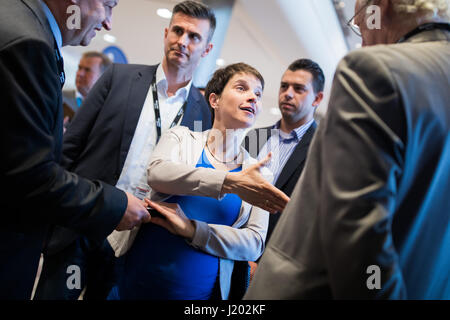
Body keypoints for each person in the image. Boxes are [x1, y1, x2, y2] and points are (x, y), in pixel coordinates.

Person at [35, 0, 281, 300]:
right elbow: (70, 147)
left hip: (137, 237)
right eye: (177, 31)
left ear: (206, 49)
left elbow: (249, 235)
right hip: (88, 218)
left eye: (194, 37)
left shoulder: (203, 112)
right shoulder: (119, 78)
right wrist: (52, 214)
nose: (182, 41)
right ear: (166, 34)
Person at [245, 0, 450, 299]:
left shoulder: (376, 71)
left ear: (380, 7)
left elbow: (361, 242)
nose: (362, 39)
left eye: (359, 22)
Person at [0, 0, 151, 300]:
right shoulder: (29, 44)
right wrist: (117, 204)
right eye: (108, 5)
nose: (109, 22)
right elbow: (31, 177)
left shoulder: (18, 19)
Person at [107, 62, 289, 300]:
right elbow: (158, 174)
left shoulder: (259, 172)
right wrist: (228, 181)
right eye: (242, 88)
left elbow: (254, 243)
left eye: (257, 94)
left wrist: (193, 230)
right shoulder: (181, 137)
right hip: (134, 284)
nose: (253, 98)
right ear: (215, 100)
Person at [243, 58, 324, 280]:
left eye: (298, 89)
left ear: (317, 98)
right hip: (230, 253)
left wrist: (264, 263)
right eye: (284, 86)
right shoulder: (252, 137)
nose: (288, 93)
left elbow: (312, 218)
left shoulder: (325, 150)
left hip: (276, 266)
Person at [63, 51, 112, 125]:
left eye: (87, 70)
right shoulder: (59, 98)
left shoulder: (108, 111)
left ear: (103, 77)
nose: (80, 73)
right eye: (79, 68)